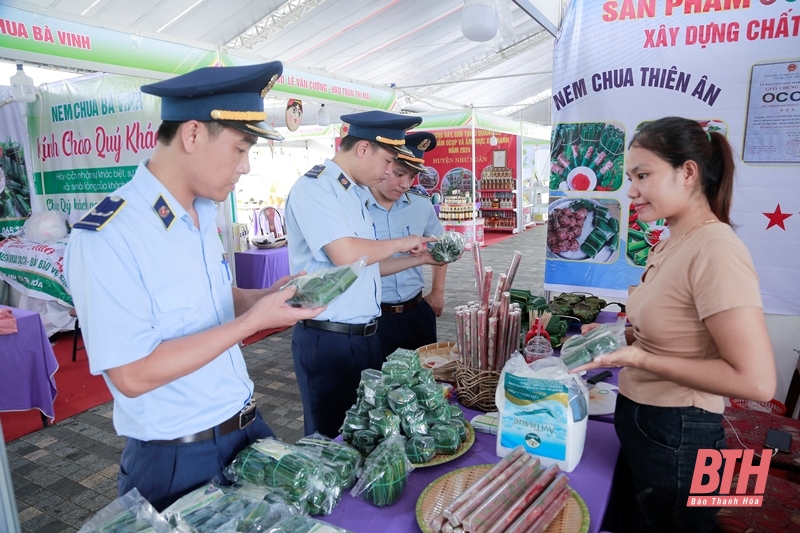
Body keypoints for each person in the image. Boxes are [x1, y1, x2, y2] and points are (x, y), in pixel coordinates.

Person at [65, 62, 324, 511]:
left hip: (246, 429)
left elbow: (211, 304)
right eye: (240, 149)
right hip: (178, 458)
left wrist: (262, 299)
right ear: (191, 135)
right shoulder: (109, 234)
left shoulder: (203, 214)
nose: (245, 167)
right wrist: (251, 324)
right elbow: (131, 375)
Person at [571, 117, 776, 533]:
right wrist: (621, 337)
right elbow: (678, 331)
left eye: (643, 175)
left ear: (687, 172)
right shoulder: (672, 239)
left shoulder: (716, 249)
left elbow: (757, 383)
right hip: (651, 425)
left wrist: (639, 358)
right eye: (631, 177)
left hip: (682, 436)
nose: (631, 191)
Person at [285, 111, 442, 437]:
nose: (388, 173)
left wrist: (420, 259)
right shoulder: (315, 189)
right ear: (363, 149)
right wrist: (403, 241)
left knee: (365, 433)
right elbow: (344, 255)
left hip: (364, 337)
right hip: (329, 338)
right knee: (330, 438)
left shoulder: (353, 194)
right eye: (388, 162)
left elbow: (365, 265)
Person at [367, 131, 449, 357]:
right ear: (382, 166)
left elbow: (440, 248)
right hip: (373, 315)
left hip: (416, 310)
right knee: (377, 381)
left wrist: (438, 290)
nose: (405, 184)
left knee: (427, 379)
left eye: (411, 177)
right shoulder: (357, 206)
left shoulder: (421, 206)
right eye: (399, 173)